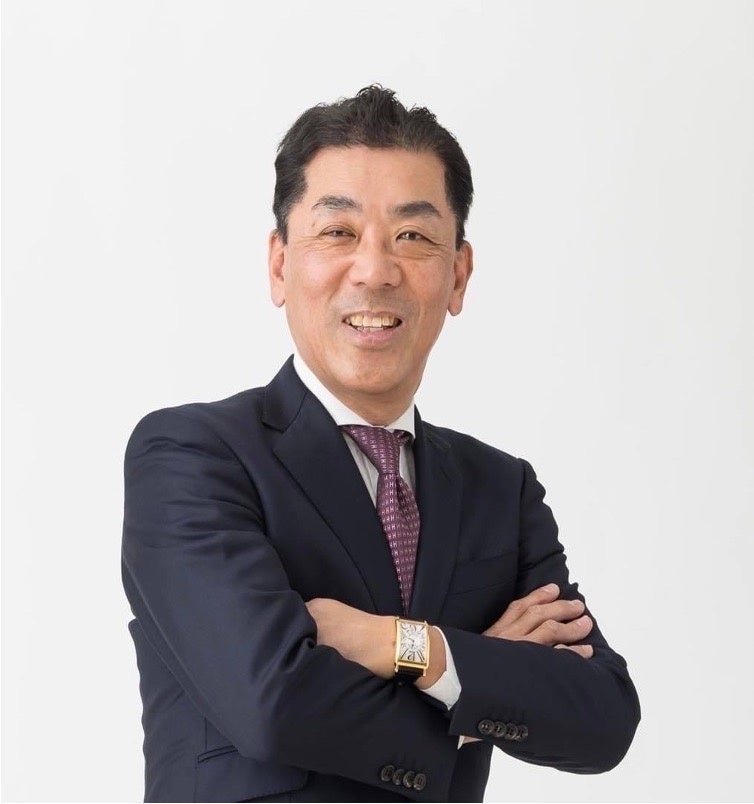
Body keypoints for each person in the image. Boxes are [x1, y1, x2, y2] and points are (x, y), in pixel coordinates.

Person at [121, 85, 640, 803]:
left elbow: (602, 718)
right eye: (338, 232)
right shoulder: (193, 457)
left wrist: (401, 644)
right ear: (280, 265)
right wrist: (480, 678)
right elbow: (273, 705)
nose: (374, 270)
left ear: (458, 274)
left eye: (413, 236)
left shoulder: (500, 489)